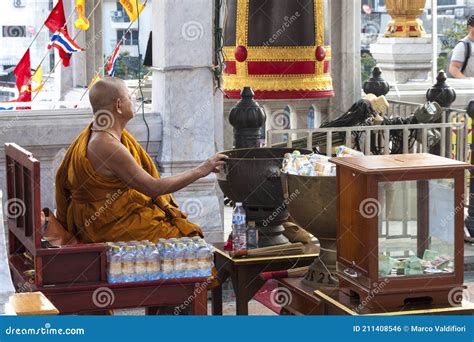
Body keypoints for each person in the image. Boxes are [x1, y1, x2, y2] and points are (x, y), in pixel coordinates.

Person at [55, 77, 227, 244]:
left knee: (170, 225)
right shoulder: (107, 146)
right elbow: (153, 188)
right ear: (119, 106)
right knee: (184, 240)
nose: (134, 101)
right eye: (129, 98)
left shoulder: (101, 133)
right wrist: (202, 169)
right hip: (105, 223)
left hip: (109, 214)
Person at [448, 15, 474, 79]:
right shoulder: (462, 46)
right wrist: (466, 80)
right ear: (469, 28)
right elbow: (453, 68)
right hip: (469, 87)